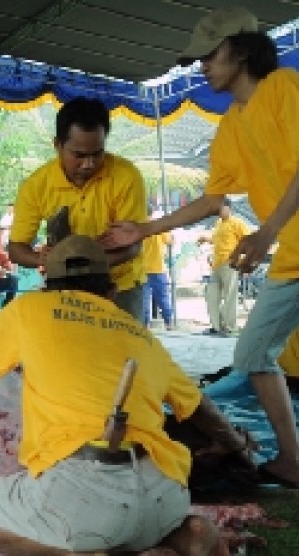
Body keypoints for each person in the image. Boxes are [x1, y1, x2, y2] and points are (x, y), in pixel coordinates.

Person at [0, 235, 248, 555]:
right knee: (144, 519)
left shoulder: (31, 309)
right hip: (164, 492)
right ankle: (185, 536)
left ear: (47, 286)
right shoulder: (140, 334)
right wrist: (239, 449)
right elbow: (202, 408)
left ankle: (83, 553)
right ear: (111, 291)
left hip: (84, 496)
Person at [102, 6, 299, 488]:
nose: (202, 66)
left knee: (254, 353)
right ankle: (292, 461)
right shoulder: (231, 124)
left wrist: (267, 231)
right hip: (291, 258)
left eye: (209, 55)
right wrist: (144, 231)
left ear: (240, 50)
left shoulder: (284, 89)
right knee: (253, 354)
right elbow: (214, 199)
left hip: (283, 245)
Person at [7, 97, 147, 320]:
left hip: (121, 289)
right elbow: (15, 249)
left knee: (124, 355)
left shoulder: (126, 176)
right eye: (79, 155)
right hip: (63, 292)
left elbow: (132, 247)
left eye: (97, 153)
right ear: (57, 145)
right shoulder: (36, 185)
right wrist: (42, 259)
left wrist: (75, 266)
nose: (89, 163)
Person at [197, 201, 249, 335]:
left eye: (222, 208)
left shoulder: (237, 223)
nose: (220, 211)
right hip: (217, 265)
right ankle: (216, 326)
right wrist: (206, 239)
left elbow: (248, 242)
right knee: (211, 295)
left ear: (229, 209)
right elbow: (216, 239)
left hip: (230, 263)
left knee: (230, 296)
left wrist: (244, 262)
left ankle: (230, 327)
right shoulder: (218, 224)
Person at [142, 211, 174, 330]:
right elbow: (170, 241)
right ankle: (168, 323)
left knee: (144, 299)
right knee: (163, 297)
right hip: (158, 268)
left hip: (143, 269)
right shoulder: (159, 226)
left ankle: (145, 325)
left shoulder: (139, 227)